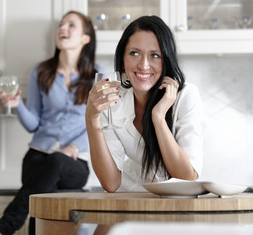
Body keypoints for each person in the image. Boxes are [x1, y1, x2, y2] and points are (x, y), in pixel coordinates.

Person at [0, 10, 97, 235]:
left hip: (74, 163)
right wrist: (17, 104)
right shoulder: (41, 72)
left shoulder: (98, 76)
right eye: (61, 24)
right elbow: (33, 125)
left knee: (56, 162)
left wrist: (74, 148)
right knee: (39, 214)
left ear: (85, 38)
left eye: (71, 25)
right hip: (37, 157)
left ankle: (1, 230)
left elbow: (101, 122)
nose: (63, 28)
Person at [85, 15, 205, 193]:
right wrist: (91, 119)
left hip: (179, 206)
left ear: (166, 61)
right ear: (123, 58)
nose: (144, 65)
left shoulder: (186, 96)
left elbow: (187, 177)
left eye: (155, 55)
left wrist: (158, 118)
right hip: (132, 198)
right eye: (134, 53)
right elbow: (110, 184)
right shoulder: (112, 101)